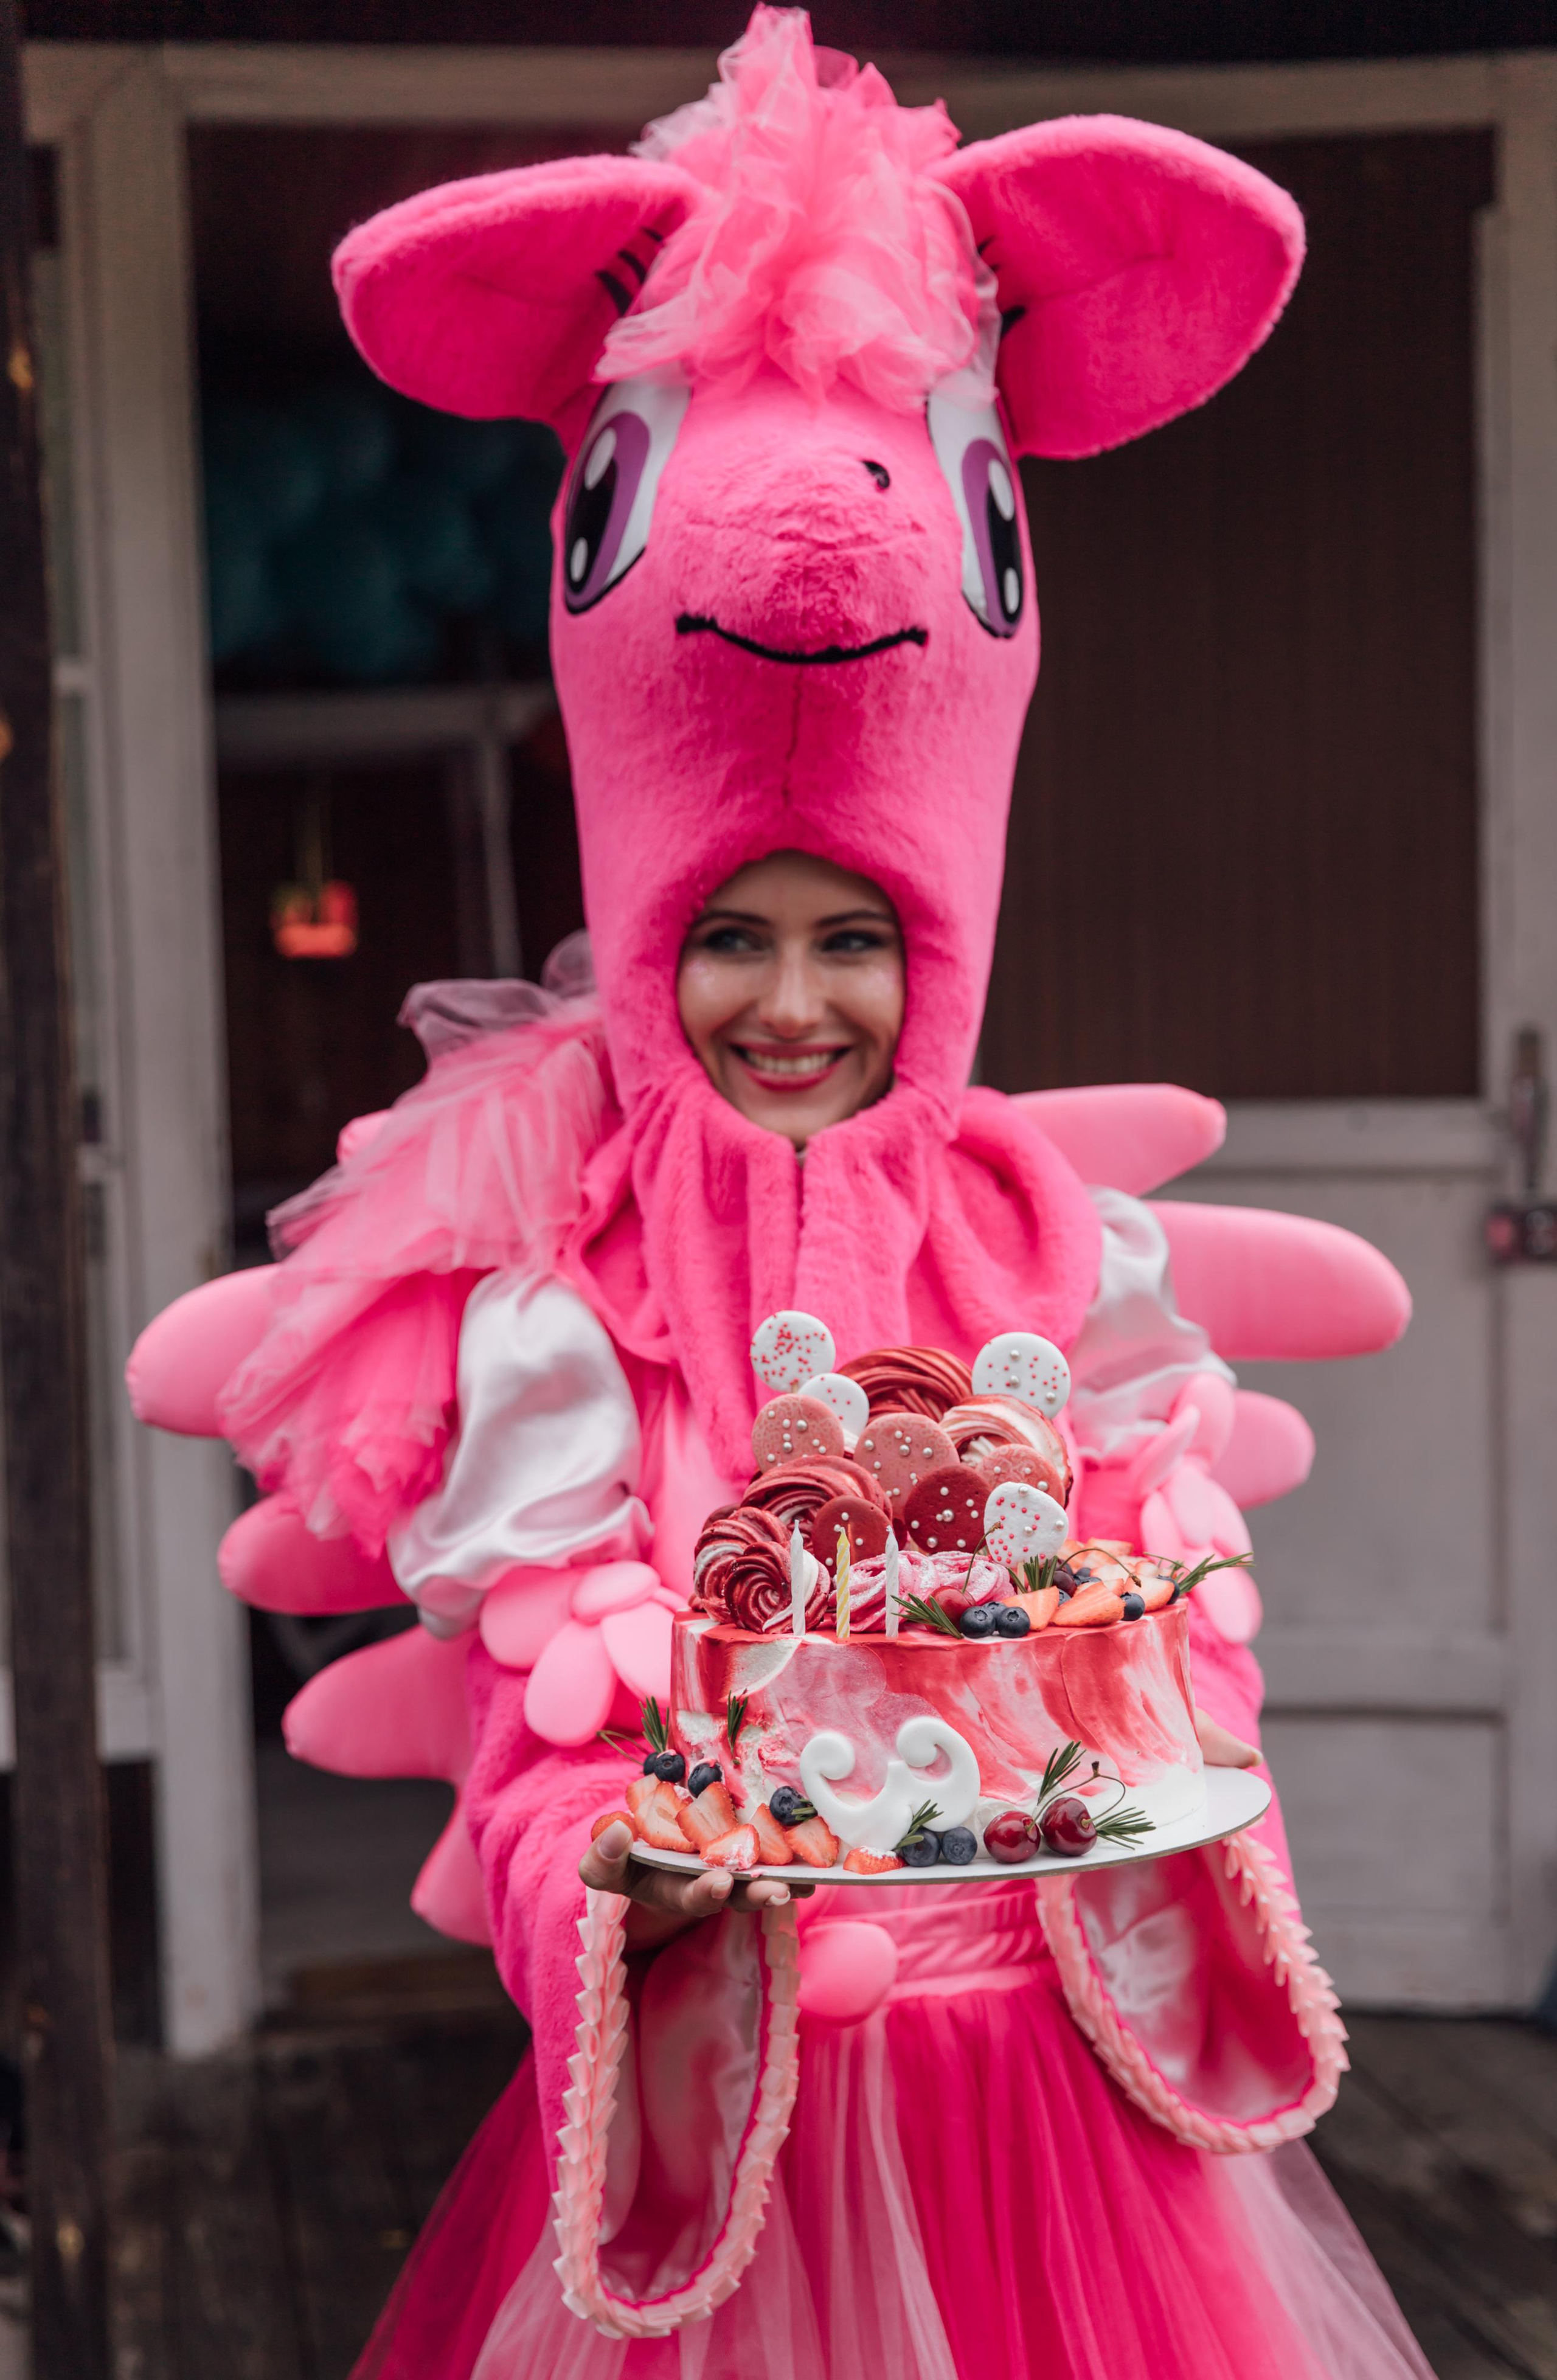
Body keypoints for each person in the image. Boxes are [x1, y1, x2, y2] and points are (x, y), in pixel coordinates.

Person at [127, 13, 1432, 2375]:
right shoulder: (564, 1305)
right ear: (649, 936)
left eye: (855, 939)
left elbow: (1164, 1633)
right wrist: (605, 1892)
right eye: (734, 934)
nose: (792, 998)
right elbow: (544, 1716)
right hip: (727, 2093)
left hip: (1049, 2104)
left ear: (937, 945)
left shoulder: (1054, 1253)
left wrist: (1160, 1765)